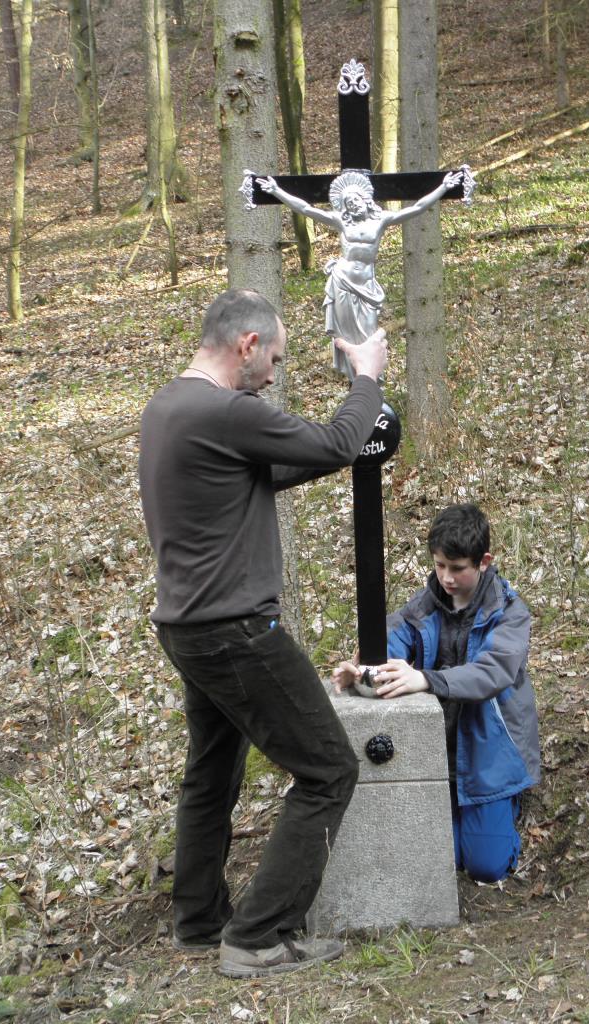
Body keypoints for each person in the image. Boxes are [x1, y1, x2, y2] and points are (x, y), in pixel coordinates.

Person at [139, 288, 388, 977]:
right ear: (246, 345)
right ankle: (257, 937)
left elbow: (263, 473)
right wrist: (367, 374)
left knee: (212, 773)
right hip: (236, 631)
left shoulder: (169, 407)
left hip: (187, 628)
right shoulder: (226, 410)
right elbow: (337, 440)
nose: (274, 374)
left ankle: (197, 918)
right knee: (328, 768)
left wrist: (344, 452)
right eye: (273, 358)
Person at [332, 504, 540, 883]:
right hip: (435, 753)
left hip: (489, 754)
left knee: (485, 868)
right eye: (439, 565)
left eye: (457, 568)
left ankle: (505, 804)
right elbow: (392, 640)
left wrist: (426, 679)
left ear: (484, 562)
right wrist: (363, 673)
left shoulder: (510, 612)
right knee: (438, 858)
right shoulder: (426, 602)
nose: (445, 577)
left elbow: (491, 672)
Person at [256, 169, 462, 378]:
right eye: (348, 202)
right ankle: (356, 384)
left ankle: (371, 382)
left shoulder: (381, 219)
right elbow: (306, 209)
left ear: (365, 199)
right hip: (343, 282)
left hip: (366, 287)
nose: (352, 204)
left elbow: (417, 207)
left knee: (368, 337)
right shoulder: (342, 221)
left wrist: (443, 187)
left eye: (355, 199)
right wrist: (276, 191)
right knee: (348, 340)